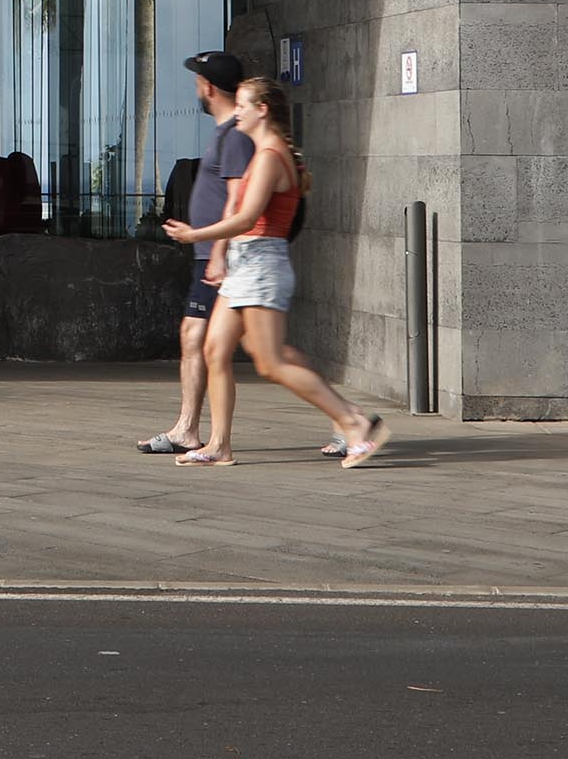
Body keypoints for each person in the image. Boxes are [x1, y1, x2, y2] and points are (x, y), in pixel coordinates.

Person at [163, 77, 387, 469]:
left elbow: (246, 217)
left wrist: (195, 235)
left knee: (269, 363)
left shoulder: (270, 156)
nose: (237, 112)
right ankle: (218, 445)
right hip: (244, 263)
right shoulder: (263, 152)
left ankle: (355, 422)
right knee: (215, 350)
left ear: (262, 110)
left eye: (244, 105)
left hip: (262, 264)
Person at [133, 51, 252, 456]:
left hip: (219, 258)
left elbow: (237, 202)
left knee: (269, 356)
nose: (195, 88)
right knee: (196, 336)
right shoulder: (225, 132)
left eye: (198, 81)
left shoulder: (235, 135)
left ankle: (350, 420)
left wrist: (217, 251)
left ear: (209, 87)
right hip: (208, 255)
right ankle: (188, 427)